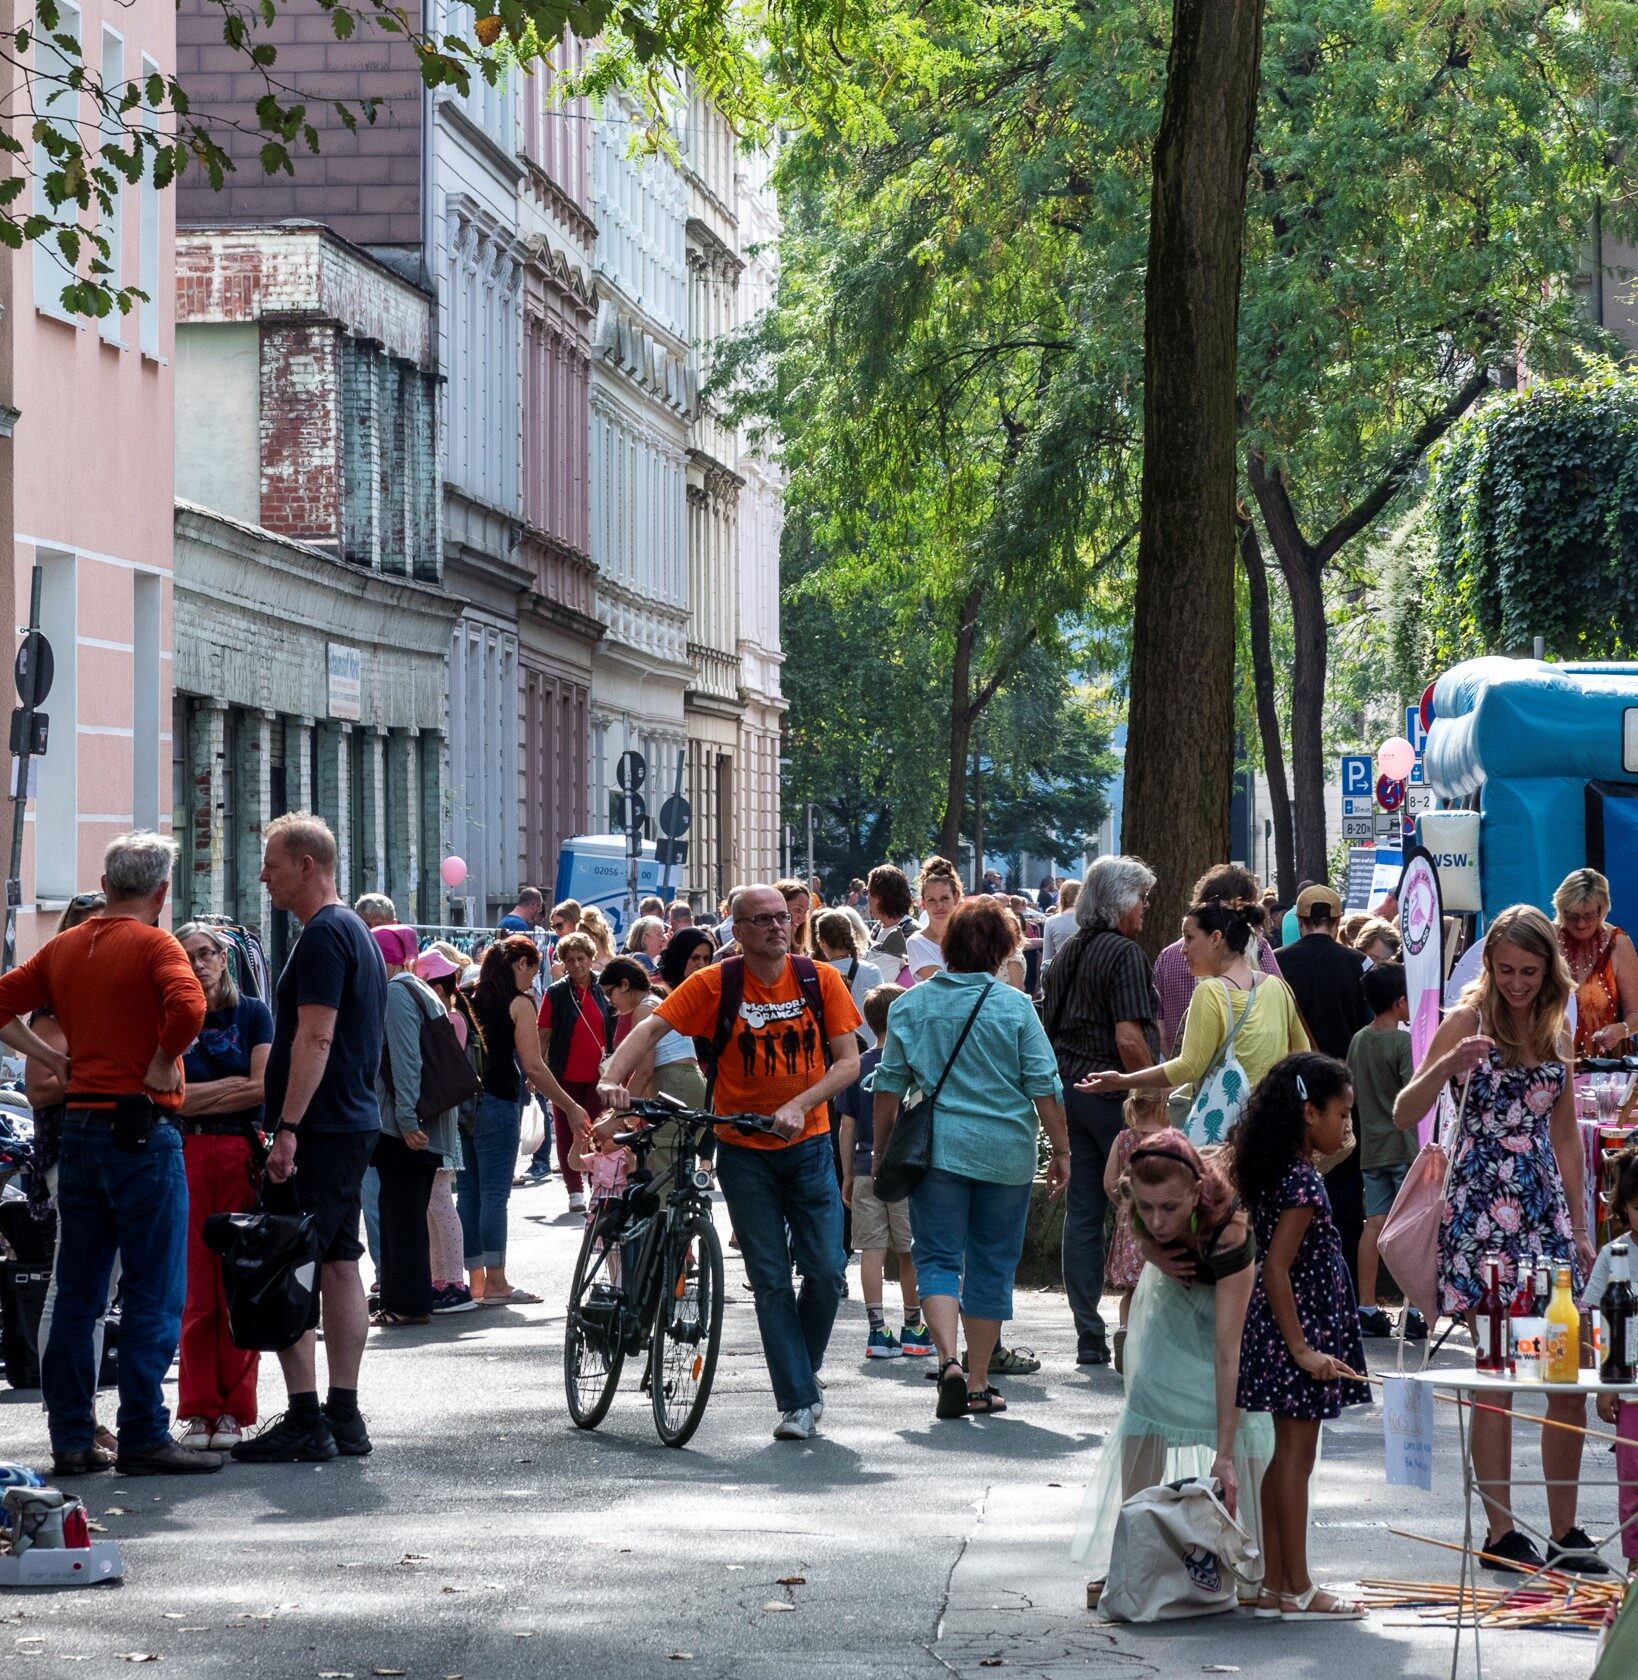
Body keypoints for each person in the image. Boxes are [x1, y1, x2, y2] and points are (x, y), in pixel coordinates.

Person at [598, 884, 863, 1443]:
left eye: (782, 917)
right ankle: (797, 1400)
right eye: (761, 920)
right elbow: (650, 1027)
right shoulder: (716, 984)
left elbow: (848, 1063)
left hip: (809, 1144)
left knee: (826, 1272)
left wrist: (801, 1104)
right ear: (737, 931)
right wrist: (611, 1078)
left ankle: (802, 1370)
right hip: (743, 1151)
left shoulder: (819, 979)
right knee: (770, 1279)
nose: (777, 926)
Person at [1393, 903, 1598, 1575]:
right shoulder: (1468, 1020)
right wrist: (1448, 1062)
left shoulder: (1555, 1024)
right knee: (1496, 1377)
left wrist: (1581, 1226)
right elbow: (1404, 1110)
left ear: (1549, 971)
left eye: (1529, 972)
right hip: (1481, 1216)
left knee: (1563, 1375)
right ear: (1488, 966)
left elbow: (1564, 1135)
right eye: (1506, 970)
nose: (1516, 983)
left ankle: (1566, 1531)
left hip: (1542, 1214)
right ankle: (1501, 1531)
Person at [0, 834, 211, 1478]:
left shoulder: (66, 946)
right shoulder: (154, 944)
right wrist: (160, 1060)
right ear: (161, 891)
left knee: (79, 1291)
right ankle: (144, 1433)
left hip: (80, 1130)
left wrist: (51, 1058)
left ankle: (70, 1437)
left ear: (105, 882)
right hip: (141, 1129)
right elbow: (190, 1005)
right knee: (153, 1287)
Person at [871, 899, 1069, 1419]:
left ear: (947, 946)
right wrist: (1062, 1151)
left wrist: (883, 1149)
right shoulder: (1015, 1008)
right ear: (1003, 950)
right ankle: (979, 1383)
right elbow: (1044, 1086)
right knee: (992, 1263)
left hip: (936, 1152)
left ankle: (948, 1363)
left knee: (937, 1258)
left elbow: (888, 1086)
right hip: (1006, 1155)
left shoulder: (909, 1006)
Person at [230, 814, 384, 1464]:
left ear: (306, 866)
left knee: (288, 1260)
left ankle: (305, 1418)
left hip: (318, 1127)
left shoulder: (323, 935)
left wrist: (286, 1128)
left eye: (272, 864)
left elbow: (316, 1038)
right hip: (348, 1122)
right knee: (340, 1261)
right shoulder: (354, 930)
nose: (263, 876)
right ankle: (342, 1415)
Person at [1069, 1130, 1268, 1600]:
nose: (1157, 1220)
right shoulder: (1140, 1200)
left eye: (1170, 1209)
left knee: (1248, 1427)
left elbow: (1229, 1350)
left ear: (1196, 1193)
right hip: (1175, 1300)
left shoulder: (1231, 1229)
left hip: (1234, 1309)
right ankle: (1131, 1553)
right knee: (1144, 1407)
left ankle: (1257, 1558)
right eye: (1147, 1207)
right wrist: (1153, 1251)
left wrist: (1223, 1455)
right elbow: (1139, 1222)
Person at [1232, 1053, 1371, 1619]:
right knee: (1296, 1457)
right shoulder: (1302, 1180)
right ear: (1309, 1113)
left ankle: (1276, 1583)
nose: (1347, 1126)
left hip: (1285, 1328)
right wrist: (1302, 1348)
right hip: (1298, 1330)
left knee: (1284, 1457)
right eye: (1341, 1114)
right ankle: (1299, 1587)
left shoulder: (1283, 1169)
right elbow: (1276, 1267)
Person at [1042, 855, 1162, 1367]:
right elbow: (1129, 1037)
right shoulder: (1125, 953)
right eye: (1142, 898)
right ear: (1120, 902)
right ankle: (1141, 1325)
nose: (1146, 908)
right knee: (1146, 1205)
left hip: (1070, 1092)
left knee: (1084, 1213)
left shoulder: (1067, 950)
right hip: (1115, 1095)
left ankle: (1088, 1330)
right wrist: (1153, 1096)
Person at [1079, 896, 1310, 1139]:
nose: (1183, 949)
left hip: (1231, 1134)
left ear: (1215, 938)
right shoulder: (1278, 986)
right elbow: (1302, 1056)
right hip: (1276, 1127)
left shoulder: (1210, 991)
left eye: (1189, 937)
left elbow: (1189, 1067)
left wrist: (1123, 1080)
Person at [174, 923, 275, 1452]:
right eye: (188, 955)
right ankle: (197, 1410)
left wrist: (199, 1095)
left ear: (224, 958)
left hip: (241, 1154)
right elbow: (172, 1098)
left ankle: (236, 1410)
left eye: (207, 953)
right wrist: (230, 1088)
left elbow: (261, 1086)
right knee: (196, 1289)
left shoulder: (253, 1013)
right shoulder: (172, 1017)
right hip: (187, 1153)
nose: (199, 964)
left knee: (238, 1284)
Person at [25, 892, 112, 1462]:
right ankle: (70, 1412)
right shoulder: (52, 1007)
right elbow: (39, 1088)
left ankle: (82, 1411)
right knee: (74, 1288)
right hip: (69, 1152)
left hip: (105, 1151)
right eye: (86, 931)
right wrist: (104, 1071)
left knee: (97, 1291)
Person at [461, 934, 585, 1304]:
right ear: (520, 964)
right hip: (498, 1101)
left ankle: (475, 1281)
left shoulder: (465, 995)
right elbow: (534, 1066)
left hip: (461, 1104)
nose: (533, 978)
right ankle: (497, 1282)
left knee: (468, 1194)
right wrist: (569, 1106)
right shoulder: (519, 1003)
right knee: (494, 1195)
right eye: (532, 969)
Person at [1274, 884, 1371, 1287]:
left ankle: (1296, 1276)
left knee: (1290, 1186)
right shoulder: (1360, 964)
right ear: (1336, 921)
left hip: (1293, 1090)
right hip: (1345, 1092)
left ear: (1299, 921)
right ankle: (1342, 1282)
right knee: (1346, 1187)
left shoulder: (1277, 964)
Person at [369, 924, 461, 1328]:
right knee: (399, 1211)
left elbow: (407, 1060)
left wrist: (407, 1119)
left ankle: (407, 1303)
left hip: (405, 1126)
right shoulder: (416, 988)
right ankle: (398, 1299)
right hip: (415, 1122)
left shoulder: (396, 992)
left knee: (402, 1215)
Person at [835, 984, 931, 1360]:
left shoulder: (858, 1065)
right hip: (905, 1169)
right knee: (909, 1250)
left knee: (871, 1250)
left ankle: (877, 1330)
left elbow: (846, 1126)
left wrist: (847, 1174)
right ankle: (913, 1326)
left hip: (863, 1168)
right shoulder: (914, 1063)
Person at [1347, 962, 1422, 1340]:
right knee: (1412, 1229)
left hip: (1371, 1148)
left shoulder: (1359, 1041)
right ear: (1400, 1002)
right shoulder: (1403, 1043)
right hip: (1404, 1146)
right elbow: (1414, 1093)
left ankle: (1366, 1307)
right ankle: (1414, 1310)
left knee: (1373, 1225)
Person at [525, 932, 614, 1205]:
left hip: (600, 1075)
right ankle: (574, 1190)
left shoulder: (604, 988)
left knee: (598, 1131)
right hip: (564, 1074)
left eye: (581, 958)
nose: (576, 965)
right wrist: (536, 1071)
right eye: (570, 960)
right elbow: (543, 1035)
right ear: (562, 962)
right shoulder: (555, 993)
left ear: (591, 958)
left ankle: (597, 1184)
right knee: (566, 1133)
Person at [1153, 866, 1283, 1051]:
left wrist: (1175, 1063)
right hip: (1245, 1064)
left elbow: (1159, 1030)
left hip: (1185, 1064)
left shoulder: (1167, 956)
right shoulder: (1257, 947)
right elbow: (1280, 1010)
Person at [1584, 1147, 1638, 1579]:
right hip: (1629, 1390)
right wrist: (1604, 1385)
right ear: (1623, 1207)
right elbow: (1595, 1319)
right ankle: (1635, 1563)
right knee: (1632, 1481)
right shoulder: (1613, 1255)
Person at [414, 948, 477, 1313]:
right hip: (438, 1118)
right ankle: (441, 1279)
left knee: (439, 1203)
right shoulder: (451, 1017)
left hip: (440, 1120)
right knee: (432, 1206)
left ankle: (454, 1280)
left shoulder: (450, 1019)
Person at [1100, 1089, 1169, 1375]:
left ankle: (1125, 1330)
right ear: (1164, 1103)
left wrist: (1124, 1205)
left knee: (1131, 1290)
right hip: (1163, 1224)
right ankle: (1152, 1346)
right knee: (1160, 1291)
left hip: (1132, 1224)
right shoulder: (1171, 1138)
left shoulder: (1124, 1138)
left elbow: (1109, 1182)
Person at [1553, 867, 1638, 1057]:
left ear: (1602, 910)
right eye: (1572, 916)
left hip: (1606, 1064)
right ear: (1561, 909)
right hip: (1554, 1060)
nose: (1581, 924)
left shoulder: (1619, 944)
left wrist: (1622, 1029)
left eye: (1589, 915)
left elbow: (1636, 1013)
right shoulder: (1546, 939)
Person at [650, 931, 713, 1109]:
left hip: (706, 1079)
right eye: (694, 958)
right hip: (666, 1083)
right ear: (681, 956)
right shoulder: (658, 990)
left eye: (707, 959)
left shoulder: (711, 990)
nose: (701, 965)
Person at [813, 909, 884, 1047]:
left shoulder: (817, 975)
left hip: (840, 1052)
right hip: (871, 1049)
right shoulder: (872, 970)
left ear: (821, 941)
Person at [906, 856, 962, 981]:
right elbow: (941, 984)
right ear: (923, 903)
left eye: (944, 898)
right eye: (931, 900)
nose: (939, 906)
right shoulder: (916, 942)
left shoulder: (969, 936)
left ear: (956, 898)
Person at [865, 864, 919, 986]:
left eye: (869, 893)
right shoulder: (876, 929)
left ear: (881, 897)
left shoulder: (913, 933)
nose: (867, 899)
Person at [1040, 877, 1081, 968]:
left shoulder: (1051, 921)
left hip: (1060, 970)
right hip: (1085, 972)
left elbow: (1047, 959)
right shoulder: (1089, 921)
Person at [774, 876, 816, 954]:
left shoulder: (801, 949)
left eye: (805, 912)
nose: (803, 919)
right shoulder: (766, 944)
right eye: (798, 910)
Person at [578, 906, 617, 972]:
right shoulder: (615, 962)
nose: (577, 944)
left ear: (592, 939)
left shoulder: (587, 968)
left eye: (580, 940)